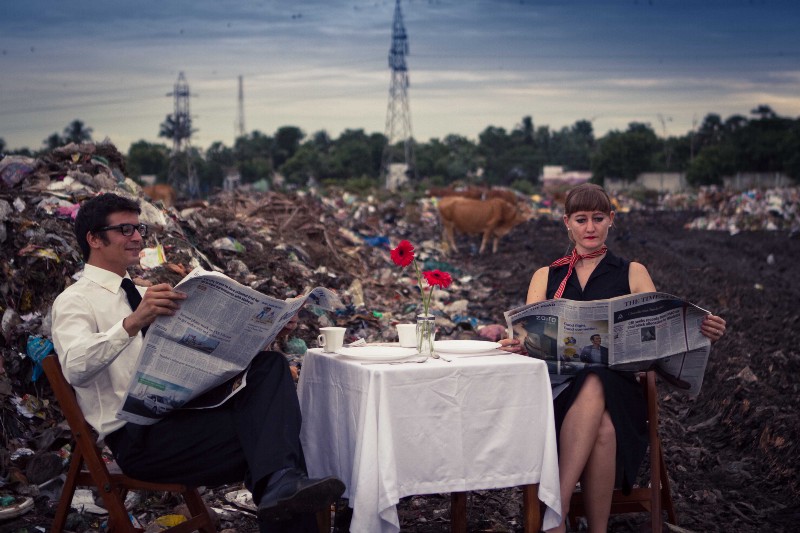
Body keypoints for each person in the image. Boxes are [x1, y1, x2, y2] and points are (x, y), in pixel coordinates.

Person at [51, 193, 344, 532]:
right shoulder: (74, 301)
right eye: (125, 229)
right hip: (140, 441)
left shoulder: (142, 292)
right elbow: (74, 367)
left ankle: (279, 482)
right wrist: (132, 323)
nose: (137, 237)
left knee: (271, 368)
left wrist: (267, 328)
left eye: (139, 228)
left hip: (182, 418)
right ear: (94, 239)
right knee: (278, 439)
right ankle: (281, 485)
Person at [500, 183, 726, 533]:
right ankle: (590, 527)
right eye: (581, 219)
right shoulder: (546, 276)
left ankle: (554, 509)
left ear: (611, 221)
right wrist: (519, 343)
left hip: (622, 391)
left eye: (598, 218)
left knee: (598, 379)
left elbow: (660, 334)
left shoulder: (632, 271)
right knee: (603, 424)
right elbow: (528, 338)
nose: (590, 227)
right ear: (567, 223)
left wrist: (703, 328)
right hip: (557, 394)